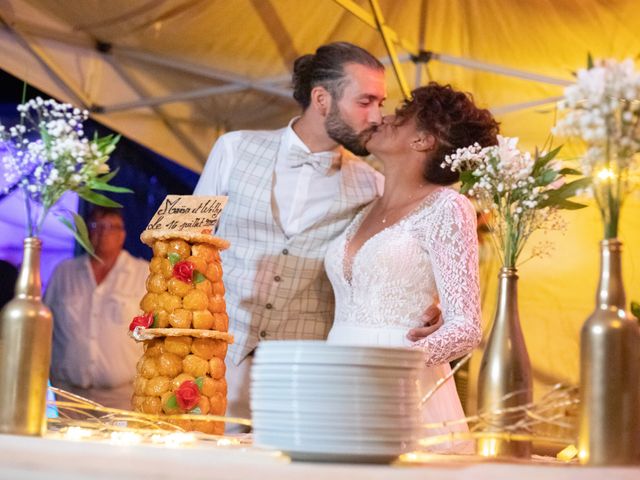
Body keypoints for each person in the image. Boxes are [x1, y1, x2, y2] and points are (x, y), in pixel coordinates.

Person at [194, 42, 441, 430]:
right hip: (214, 363)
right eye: (366, 102)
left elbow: (385, 267)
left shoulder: (374, 185)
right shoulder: (233, 148)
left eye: (381, 102)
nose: (378, 116)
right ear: (322, 99)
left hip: (303, 373)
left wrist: (427, 307)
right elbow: (187, 246)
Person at [324, 83, 500, 451]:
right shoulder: (364, 208)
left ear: (423, 141)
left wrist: (395, 368)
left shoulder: (447, 208)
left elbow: (466, 327)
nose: (383, 118)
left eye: (400, 118)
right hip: (335, 376)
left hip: (400, 388)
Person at [45, 206, 149, 410]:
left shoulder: (143, 273)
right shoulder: (64, 272)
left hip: (124, 397)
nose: (103, 232)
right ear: (87, 232)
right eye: (96, 226)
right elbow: (45, 325)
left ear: (122, 235)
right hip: (68, 395)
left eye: (111, 227)